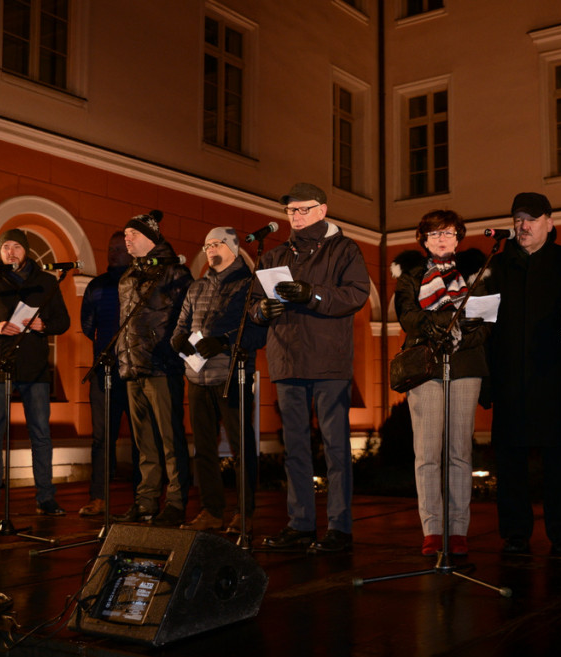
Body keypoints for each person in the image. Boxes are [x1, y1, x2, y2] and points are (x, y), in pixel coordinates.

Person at [252, 183, 369, 553]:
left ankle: (339, 527)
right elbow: (253, 303)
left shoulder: (345, 249)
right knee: (296, 449)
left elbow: (356, 294)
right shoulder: (274, 255)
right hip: (286, 360)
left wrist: (312, 295)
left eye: (304, 209)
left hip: (329, 363)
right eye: (291, 211)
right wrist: (260, 311)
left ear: (322, 210)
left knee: (336, 449)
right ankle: (300, 523)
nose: (296, 216)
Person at [484, 192, 561, 556]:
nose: (523, 226)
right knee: (510, 463)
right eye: (518, 219)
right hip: (510, 378)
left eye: (531, 218)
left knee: (560, 463)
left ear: (549, 222)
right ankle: (514, 533)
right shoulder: (497, 265)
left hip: (555, 379)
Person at [392, 210, 489, 556]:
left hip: (465, 364)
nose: (441, 239)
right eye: (434, 234)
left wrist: (468, 331)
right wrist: (440, 323)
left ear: (459, 237)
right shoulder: (411, 274)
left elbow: (486, 318)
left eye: (448, 233)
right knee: (428, 453)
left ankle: (458, 529)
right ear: (424, 240)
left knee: (460, 452)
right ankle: (433, 529)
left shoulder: (476, 271)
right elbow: (407, 315)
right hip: (424, 366)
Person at [0, 229, 71, 520]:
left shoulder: (47, 282)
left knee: (40, 434)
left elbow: (63, 321)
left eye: (15, 247)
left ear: (26, 250)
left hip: (35, 367)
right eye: (5, 248)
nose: (10, 252)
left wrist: (43, 326)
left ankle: (46, 498)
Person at [172, 227, 265, 534]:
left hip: (231, 376)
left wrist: (224, 342)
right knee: (204, 448)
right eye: (207, 244)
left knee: (240, 448)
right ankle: (212, 511)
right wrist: (178, 340)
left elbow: (258, 331)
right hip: (197, 377)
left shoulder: (249, 285)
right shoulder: (196, 287)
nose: (210, 249)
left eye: (216, 244)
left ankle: (244, 513)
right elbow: (181, 325)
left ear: (234, 248)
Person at [111, 210, 194, 527]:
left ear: (149, 238)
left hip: (162, 367)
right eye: (125, 235)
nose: (126, 239)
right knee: (143, 443)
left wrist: (171, 351)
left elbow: (185, 321)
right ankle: (145, 502)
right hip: (132, 368)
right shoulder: (128, 275)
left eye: (131, 234)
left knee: (170, 441)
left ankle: (175, 502)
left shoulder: (175, 272)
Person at [78, 231, 141, 517]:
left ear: (131, 251)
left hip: (135, 371)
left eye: (119, 248)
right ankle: (98, 498)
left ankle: (143, 499)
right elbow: (87, 324)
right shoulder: (97, 285)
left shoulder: (140, 281)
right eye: (110, 248)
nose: (113, 253)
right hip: (103, 370)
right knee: (102, 438)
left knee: (142, 438)